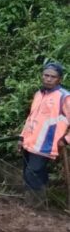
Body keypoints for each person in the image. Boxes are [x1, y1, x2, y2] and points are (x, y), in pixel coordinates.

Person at [17, 61, 70, 204]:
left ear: (59, 79)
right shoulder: (39, 94)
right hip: (30, 142)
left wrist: (66, 140)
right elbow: (31, 118)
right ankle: (35, 202)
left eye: (53, 77)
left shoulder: (64, 97)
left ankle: (36, 204)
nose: (48, 79)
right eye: (46, 75)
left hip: (46, 144)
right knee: (30, 173)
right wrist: (22, 137)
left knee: (32, 173)